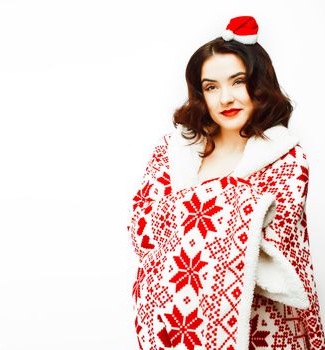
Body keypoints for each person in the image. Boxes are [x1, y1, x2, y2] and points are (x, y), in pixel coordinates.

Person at [127, 15, 325, 349]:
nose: (225, 98)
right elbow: (143, 226)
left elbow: (274, 243)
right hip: (178, 328)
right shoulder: (174, 152)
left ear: (259, 83)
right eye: (211, 87)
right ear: (200, 94)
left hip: (264, 330)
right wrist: (233, 205)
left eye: (237, 81)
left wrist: (185, 215)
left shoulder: (286, 158)